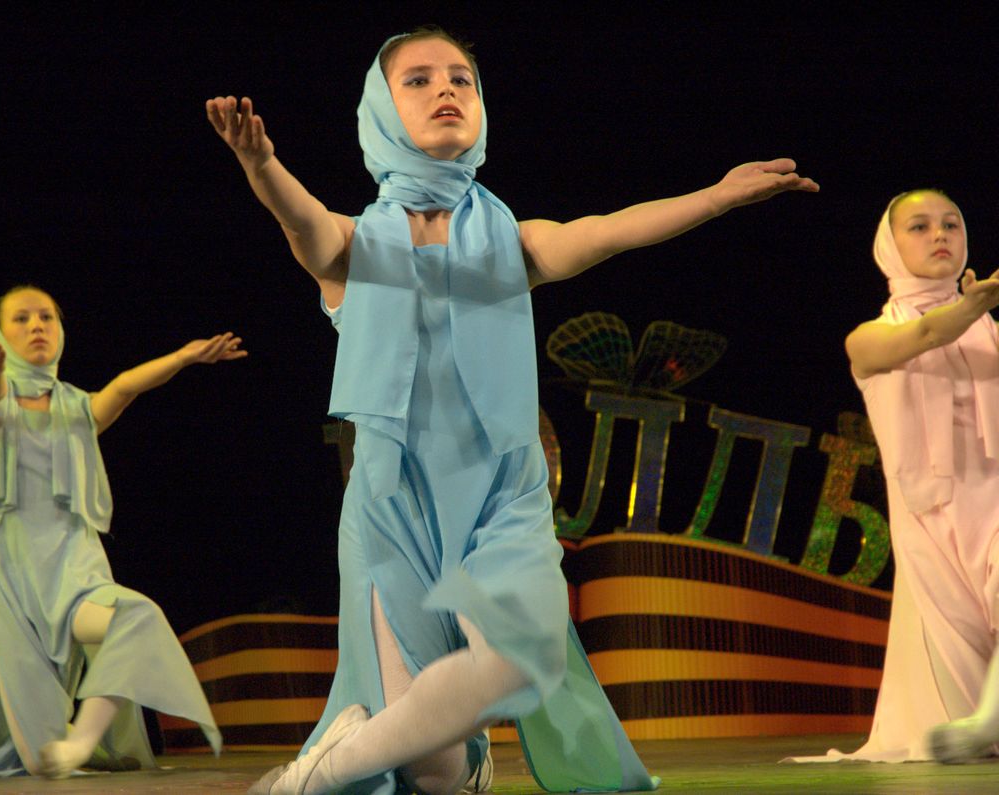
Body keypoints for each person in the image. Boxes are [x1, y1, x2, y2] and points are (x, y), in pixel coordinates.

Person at [207, 27, 816, 794]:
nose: (445, 88)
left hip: (500, 495)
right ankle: (437, 754)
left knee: (520, 655)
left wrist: (717, 196)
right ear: (380, 111)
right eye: (418, 79)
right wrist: (261, 165)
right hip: (391, 507)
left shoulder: (512, 242)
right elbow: (304, 222)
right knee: (431, 773)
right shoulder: (355, 248)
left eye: (460, 77)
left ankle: (310, 776)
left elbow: (607, 232)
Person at [0, 285, 243, 779]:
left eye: (47, 317)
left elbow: (125, 386)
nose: (37, 325)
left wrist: (183, 357)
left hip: (76, 574)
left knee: (136, 619)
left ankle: (82, 741)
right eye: (21, 318)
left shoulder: (78, 411)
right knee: (34, 755)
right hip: (15, 588)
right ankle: (60, 739)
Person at [802, 190, 999, 763]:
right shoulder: (868, 339)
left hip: (993, 502)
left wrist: (976, 313)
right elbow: (927, 336)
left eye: (951, 224)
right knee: (950, 699)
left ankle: (988, 719)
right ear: (889, 246)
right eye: (920, 226)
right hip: (931, 519)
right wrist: (971, 309)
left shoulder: (990, 332)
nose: (940, 235)